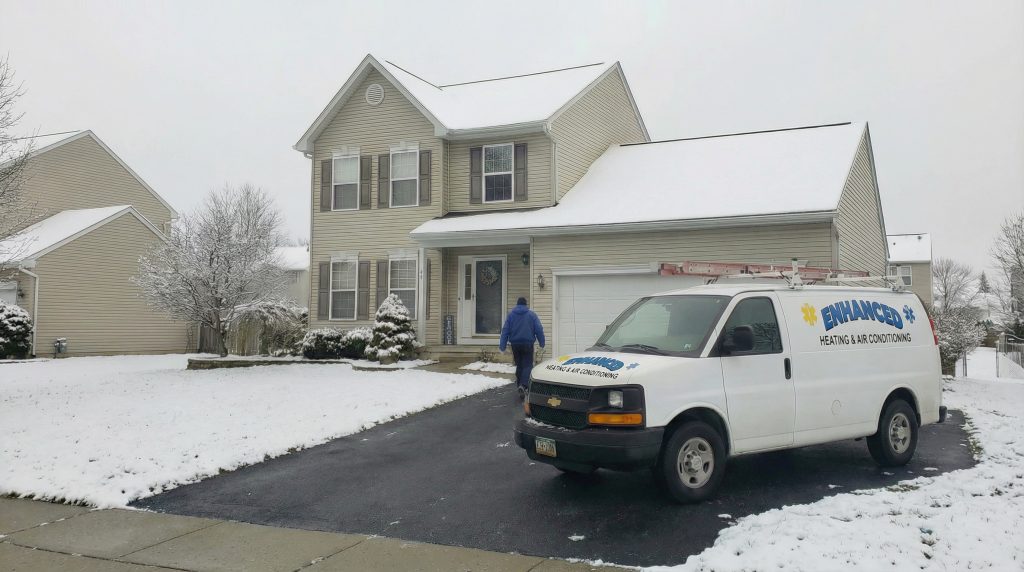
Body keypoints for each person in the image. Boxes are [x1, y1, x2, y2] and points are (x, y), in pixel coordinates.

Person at [499, 297, 545, 399]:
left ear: (517, 304)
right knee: (527, 365)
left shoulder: (511, 315)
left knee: (519, 365)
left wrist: (502, 346)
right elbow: (539, 329)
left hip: (515, 344)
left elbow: (505, 330)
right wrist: (542, 343)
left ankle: (520, 385)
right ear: (525, 304)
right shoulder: (531, 315)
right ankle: (523, 385)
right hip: (528, 344)